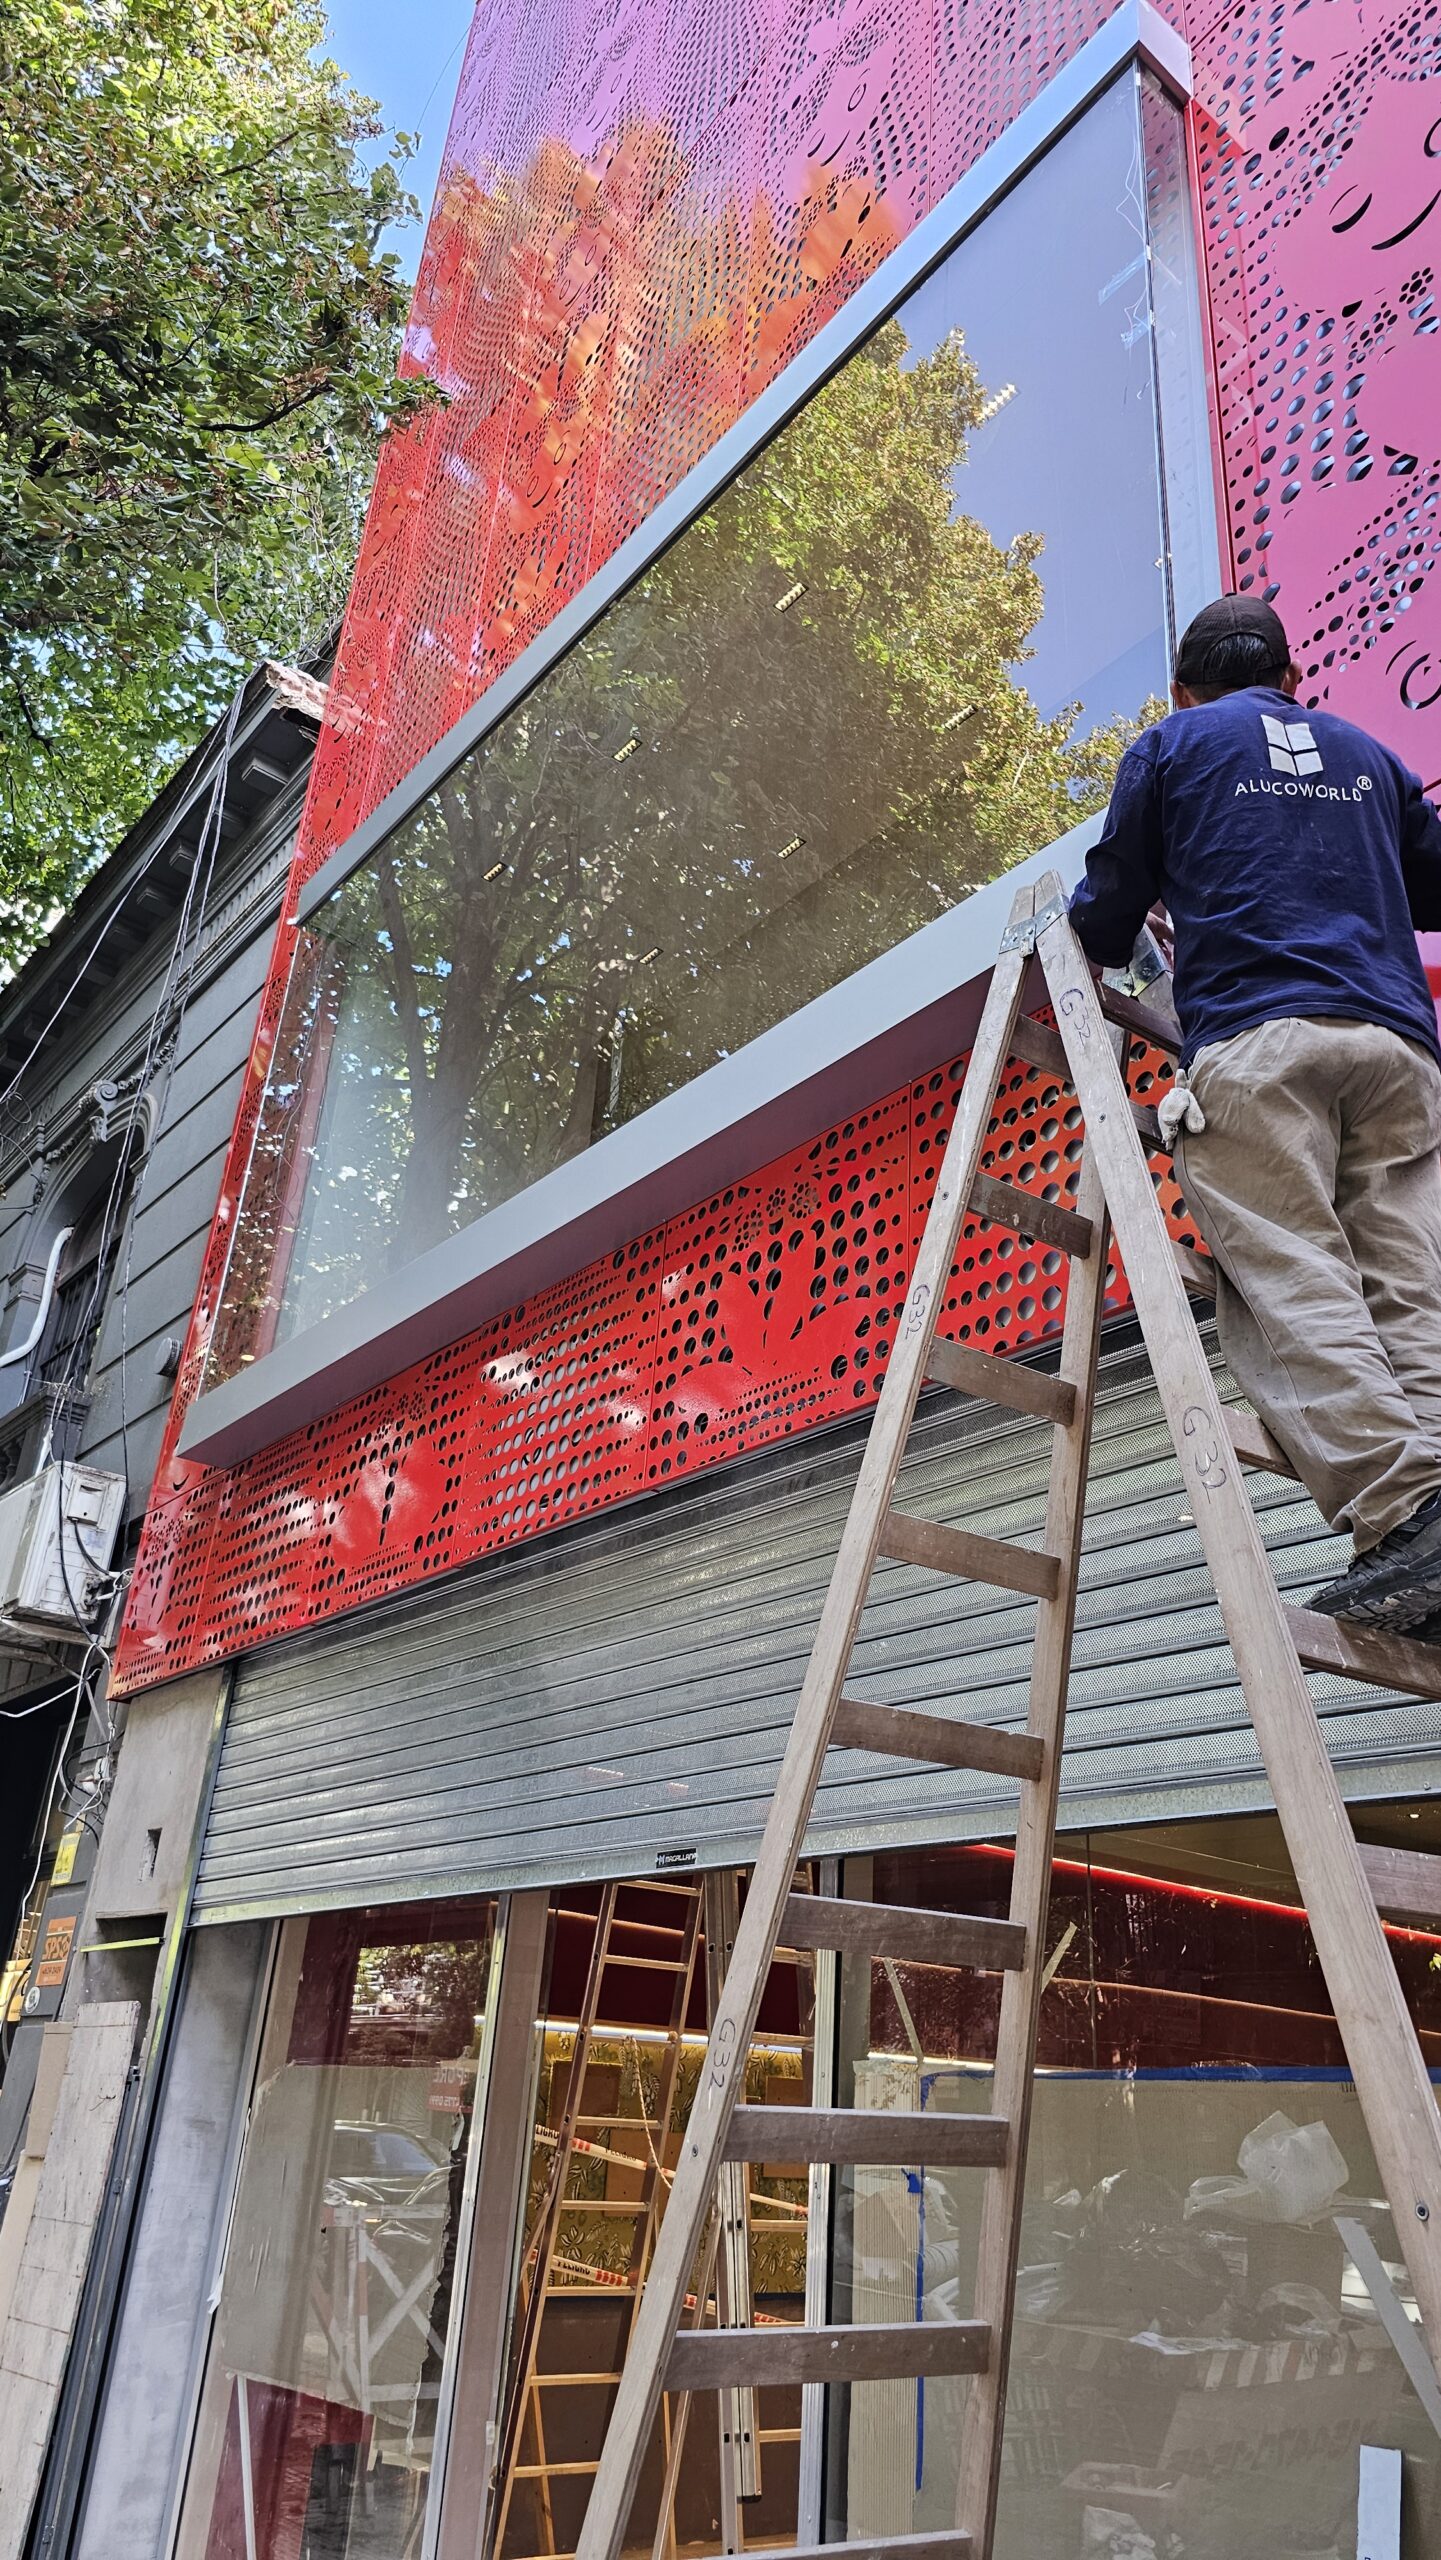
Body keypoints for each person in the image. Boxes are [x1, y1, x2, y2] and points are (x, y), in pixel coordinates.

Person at [1069, 593, 1441, 1629]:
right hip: (1397, 1050)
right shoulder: (1367, 757)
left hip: (1259, 1041)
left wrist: (1141, 913)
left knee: (1289, 1272)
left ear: (1181, 690)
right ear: (1290, 680)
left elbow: (1104, 911)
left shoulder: (1172, 745)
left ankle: (1404, 1513)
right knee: (1406, 1284)